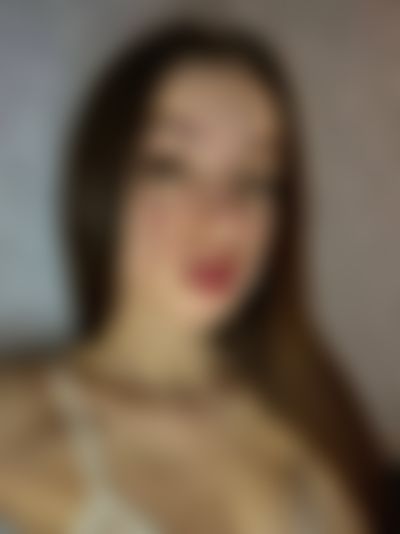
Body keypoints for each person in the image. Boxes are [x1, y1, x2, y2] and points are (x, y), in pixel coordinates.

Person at [0, 20, 382, 533]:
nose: (222, 220)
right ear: (103, 181)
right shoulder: (16, 424)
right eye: (170, 166)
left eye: (254, 178)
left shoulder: (314, 410)